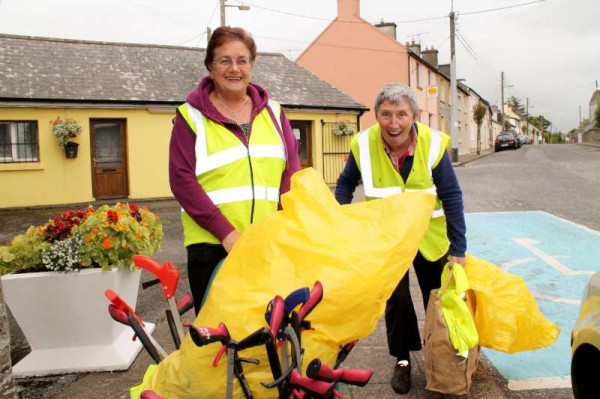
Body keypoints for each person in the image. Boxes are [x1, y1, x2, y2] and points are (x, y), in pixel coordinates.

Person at [334, 82, 466, 395]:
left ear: (415, 116)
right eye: (386, 114)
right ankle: (403, 360)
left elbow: (451, 195)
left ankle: (440, 360)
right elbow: (344, 186)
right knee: (398, 301)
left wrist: (458, 247)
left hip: (429, 238)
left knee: (438, 301)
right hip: (388, 241)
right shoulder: (363, 145)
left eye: (401, 114)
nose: (394, 123)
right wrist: (337, 222)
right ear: (377, 115)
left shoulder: (432, 145)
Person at [169, 26, 301, 314]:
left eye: (242, 60)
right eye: (225, 60)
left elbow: (290, 174)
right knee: (220, 340)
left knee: (267, 335)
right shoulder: (190, 117)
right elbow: (181, 180)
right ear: (210, 66)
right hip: (212, 245)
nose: (234, 68)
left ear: (251, 65)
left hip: (265, 243)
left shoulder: (275, 113)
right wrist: (227, 233)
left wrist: (282, 226)